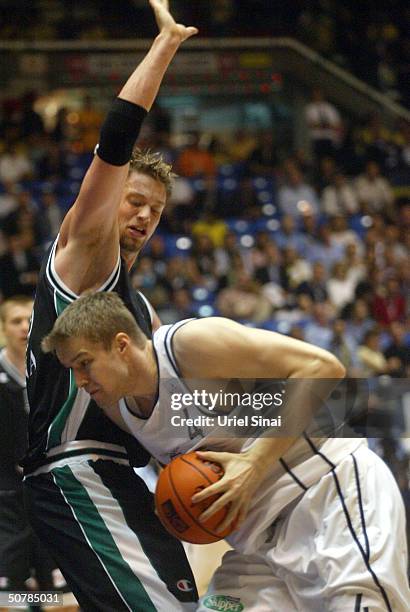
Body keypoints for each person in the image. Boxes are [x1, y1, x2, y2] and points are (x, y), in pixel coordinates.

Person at [43, 292, 410, 611]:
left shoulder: (190, 346)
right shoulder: (118, 409)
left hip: (328, 496)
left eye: (84, 363)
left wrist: (254, 463)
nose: (80, 380)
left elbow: (323, 368)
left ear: (121, 344)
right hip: (256, 547)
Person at [23, 2, 199, 611]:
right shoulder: (85, 254)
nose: (144, 216)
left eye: (156, 209)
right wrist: (166, 47)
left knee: (188, 601)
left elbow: (160, 411)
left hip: (116, 474)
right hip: (77, 470)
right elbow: (115, 141)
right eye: (134, 201)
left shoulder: (138, 309)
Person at [0, 296, 75, 611]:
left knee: (64, 597)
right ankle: (29, 601)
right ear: (3, 328)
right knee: (8, 599)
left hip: (49, 489)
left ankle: (41, 599)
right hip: (7, 495)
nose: (24, 326)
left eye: (29, 320)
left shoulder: (50, 370)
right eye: (16, 320)